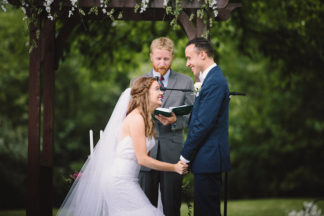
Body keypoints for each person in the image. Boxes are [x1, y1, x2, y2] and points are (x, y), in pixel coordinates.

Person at [56, 77, 188, 216]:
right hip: (119, 181)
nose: (161, 92)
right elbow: (142, 160)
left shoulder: (145, 118)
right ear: (144, 93)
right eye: (157, 89)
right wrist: (174, 167)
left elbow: (143, 155)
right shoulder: (137, 118)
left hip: (126, 179)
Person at [131, 37, 194, 216]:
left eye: (166, 59)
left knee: (172, 207)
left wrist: (175, 121)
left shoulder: (186, 82)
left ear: (172, 57)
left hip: (172, 153)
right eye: (158, 58)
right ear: (151, 57)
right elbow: (132, 114)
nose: (162, 63)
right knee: (144, 207)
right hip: (146, 152)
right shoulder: (138, 82)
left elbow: (192, 117)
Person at [180, 37, 231, 216]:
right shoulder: (210, 79)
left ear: (202, 55)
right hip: (206, 159)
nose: (187, 63)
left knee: (207, 211)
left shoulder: (215, 82)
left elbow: (203, 124)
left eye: (189, 58)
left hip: (209, 158)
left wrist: (184, 157)